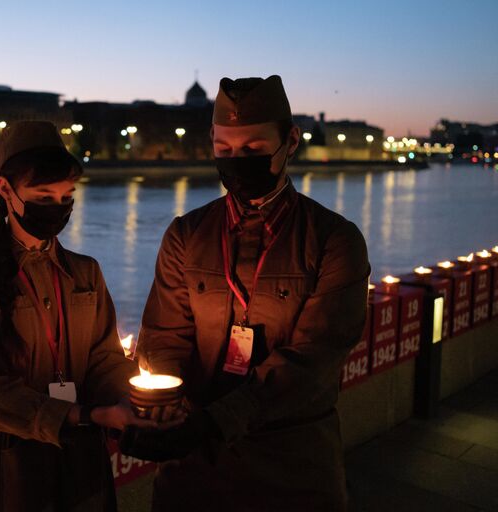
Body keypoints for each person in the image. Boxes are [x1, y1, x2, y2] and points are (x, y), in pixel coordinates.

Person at [128, 76, 371, 511]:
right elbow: (164, 334)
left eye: (254, 150)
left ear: (290, 141)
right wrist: (170, 408)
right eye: (225, 151)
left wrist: (214, 422)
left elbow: (314, 359)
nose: (237, 161)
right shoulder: (186, 234)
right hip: (193, 473)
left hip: (293, 470)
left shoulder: (336, 240)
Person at [0, 121, 154, 512]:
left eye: (66, 196)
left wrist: (127, 403)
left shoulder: (85, 271)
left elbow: (105, 359)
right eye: (44, 196)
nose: (58, 208)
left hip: (81, 455)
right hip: (5, 460)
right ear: (6, 190)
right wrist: (78, 415)